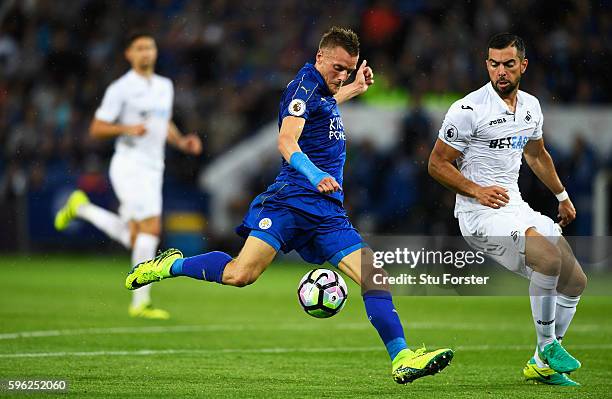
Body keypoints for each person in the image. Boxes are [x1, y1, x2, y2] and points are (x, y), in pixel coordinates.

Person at [125, 26, 453, 384]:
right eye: (338, 68)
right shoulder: (301, 88)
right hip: (290, 202)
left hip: (327, 212)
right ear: (320, 58)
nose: (342, 75)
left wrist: (354, 89)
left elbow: (323, 105)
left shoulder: (322, 91)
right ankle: (173, 265)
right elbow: (286, 141)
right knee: (240, 275)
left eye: (350, 69)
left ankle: (402, 358)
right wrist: (314, 175)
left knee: (374, 276)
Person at [428, 33, 587, 386]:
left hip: (514, 206)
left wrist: (561, 196)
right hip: (479, 214)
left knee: (575, 280)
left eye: (508, 64)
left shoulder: (530, 106)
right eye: (494, 64)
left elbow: (536, 154)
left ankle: (542, 362)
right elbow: (437, 164)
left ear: (522, 66)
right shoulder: (468, 110)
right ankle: (547, 347)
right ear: (487, 64)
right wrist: (476, 190)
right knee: (548, 260)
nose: (500, 71)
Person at [54, 32, 202, 319]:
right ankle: (140, 303)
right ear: (129, 55)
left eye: (150, 47)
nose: (146, 52)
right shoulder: (120, 89)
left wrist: (181, 141)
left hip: (154, 167)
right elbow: (97, 127)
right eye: (140, 48)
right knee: (150, 231)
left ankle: (81, 207)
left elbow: (163, 121)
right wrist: (127, 129)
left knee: (139, 239)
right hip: (129, 164)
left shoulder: (164, 86)